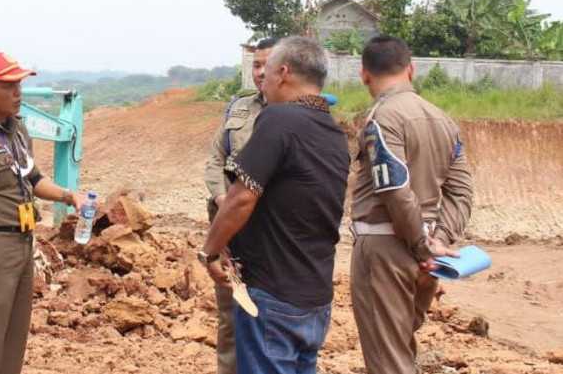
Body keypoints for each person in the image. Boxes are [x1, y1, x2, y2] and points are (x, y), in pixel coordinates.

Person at [201, 36, 350, 374]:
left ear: (283, 73)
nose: (261, 80)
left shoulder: (279, 120)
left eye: (265, 71)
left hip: (273, 295)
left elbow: (241, 197)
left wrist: (209, 251)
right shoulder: (332, 131)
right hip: (314, 296)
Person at [0, 52, 85, 374]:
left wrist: (68, 195)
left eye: (19, 84)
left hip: (22, 244)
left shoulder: (17, 131)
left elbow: (33, 178)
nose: (18, 92)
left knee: (13, 342)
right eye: (8, 85)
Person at [350, 35, 474, 374]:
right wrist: (439, 242)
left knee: (388, 360)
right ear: (412, 69)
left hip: (386, 248)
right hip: (429, 253)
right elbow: (461, 191)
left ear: (364, 74)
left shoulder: (381, 119)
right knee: (401, 347)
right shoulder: (444, 120)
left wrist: (422, 246)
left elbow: (394, 189)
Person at [203, 37, 275, 374]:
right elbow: (215, 160)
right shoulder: (239, 108)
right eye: (256, 65)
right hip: (231, 229)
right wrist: (223, 200)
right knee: (231, 315)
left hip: (272, 233)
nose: (260, 72)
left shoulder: (298, 116)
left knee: (271, 318)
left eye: (267, 64)